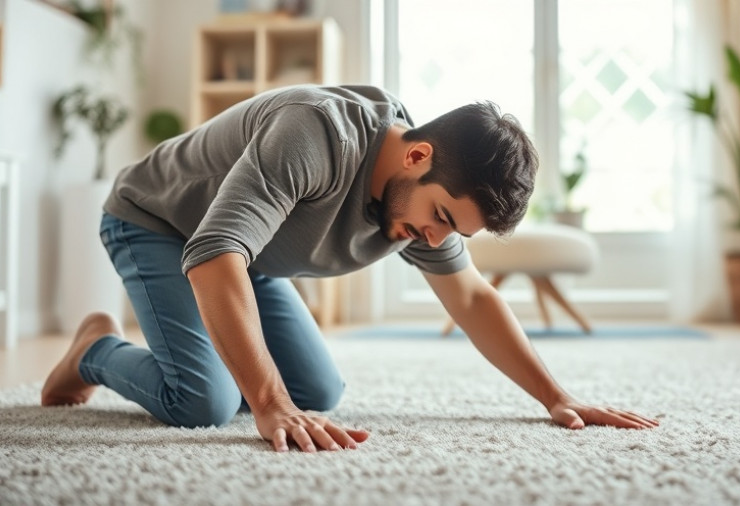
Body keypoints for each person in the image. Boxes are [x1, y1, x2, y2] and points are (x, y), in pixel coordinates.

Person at [42, 85, 658, 453]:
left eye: (454, 231)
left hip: (246, 254)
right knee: (204, 401)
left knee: (319, 393)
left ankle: (222, 357)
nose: (436, 239)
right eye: (440, 216)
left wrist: (557, 397)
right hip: (160, 225)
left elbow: (471, 298)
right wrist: (267, 404)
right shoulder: (315, 135)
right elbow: (213, 253)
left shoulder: (418, 197)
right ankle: (94, 347)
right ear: (418, 155)